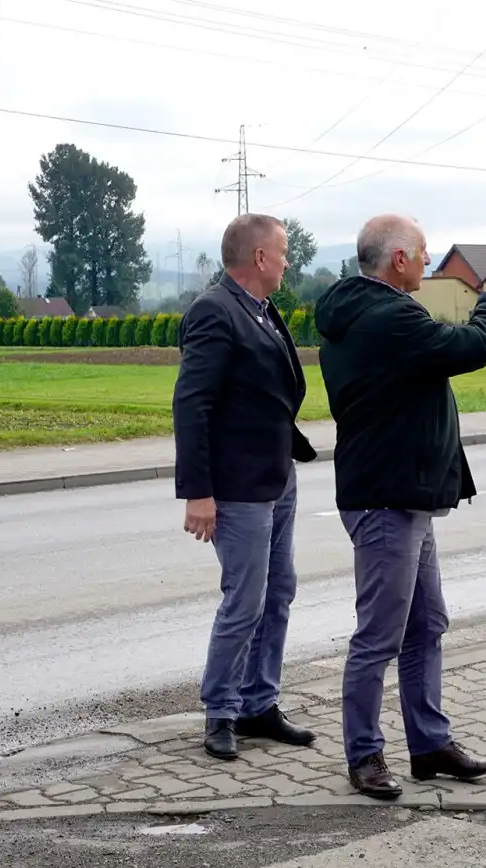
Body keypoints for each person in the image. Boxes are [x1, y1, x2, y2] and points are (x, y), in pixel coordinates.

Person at [314, 213, 486, 799]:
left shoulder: (365, 312)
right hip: (386, 499)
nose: (428, 261)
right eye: (423, 253)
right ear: (397, 258)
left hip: (405, 495)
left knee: (426, 624)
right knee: (379, 635)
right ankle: (365, 755)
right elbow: (473, 346)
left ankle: (429, 745)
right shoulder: (387, 317)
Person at [172, 212, 318, 762]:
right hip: (236, 487)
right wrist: (198, 493)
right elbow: (192, 405)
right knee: (246, 600)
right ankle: (221, 711)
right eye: (282, 252)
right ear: (259, 258)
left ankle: (260, 703)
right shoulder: (215, 310)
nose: (286, 262)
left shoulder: (260, 309)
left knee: (279, 591)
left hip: (277, 476)